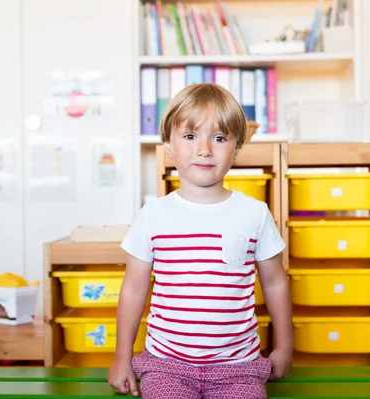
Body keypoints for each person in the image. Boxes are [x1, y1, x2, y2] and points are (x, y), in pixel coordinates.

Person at [107, 83, 292, 399]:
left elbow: (275, 283)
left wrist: (286, 346)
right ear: (169, 146)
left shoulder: (255, 213)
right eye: (190, 136)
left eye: (219, 138)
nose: (205, 149)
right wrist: (121, 357)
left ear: (235, 150)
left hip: (239, 368)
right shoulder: (153, 215)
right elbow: (134, 288)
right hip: (166, 365)